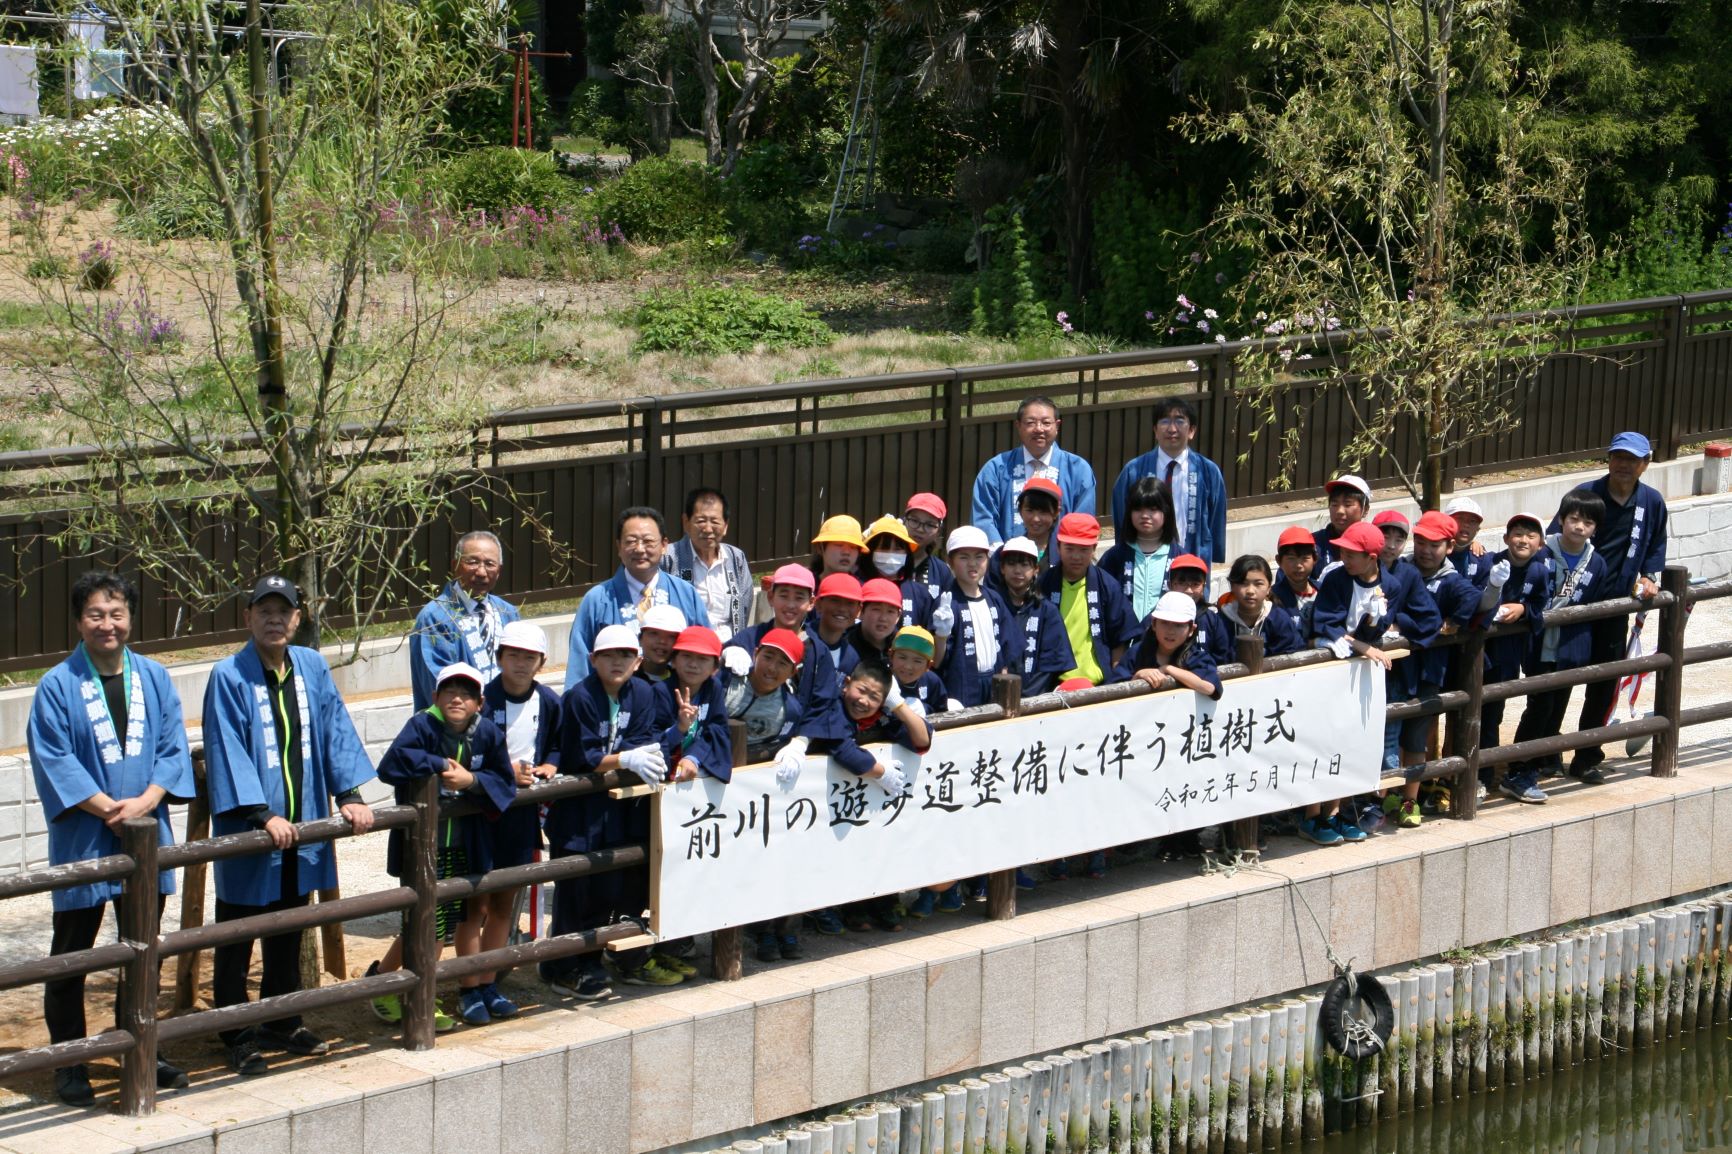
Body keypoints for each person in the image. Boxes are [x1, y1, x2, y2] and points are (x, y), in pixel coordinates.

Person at [28, 571, 197, 1105]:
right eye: (96, 614)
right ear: (79, 620)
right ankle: (69, 1060)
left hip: (145, 833)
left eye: (117, 613)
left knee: (144, 947)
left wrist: (145, 802)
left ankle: (143, 1046)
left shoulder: (153, 676)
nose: (108, 624)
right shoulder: (57, 684)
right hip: (86, 834)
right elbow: (54, 756)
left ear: (130, 617)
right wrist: (108, 808)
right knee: (71, 951)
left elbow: (173, 747)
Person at [202, 575, 376, 1075]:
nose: (275, 619)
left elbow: (335, 727)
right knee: (238, 933)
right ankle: (235, 1031)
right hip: (252, 828)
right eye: (265, 611)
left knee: (290, 925)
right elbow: (225, 750)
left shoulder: (312, 666)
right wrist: (262, 815)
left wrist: (349, 793)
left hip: (304, 827)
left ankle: (282, 1018)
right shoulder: (229, 675)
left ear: (299, 619)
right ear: (248, 616)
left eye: (284, 611)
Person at [371, 663, 517, 1028]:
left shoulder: (487, 733)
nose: (457, 698)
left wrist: (472, 780)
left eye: (467, 693)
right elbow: (391, 765)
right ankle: (413, 993)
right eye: (449, 691)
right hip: (422, 844)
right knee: (428, 922)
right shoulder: (422, 725)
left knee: (440, 920)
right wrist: (436, 763)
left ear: (480, 703)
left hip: (463, 843)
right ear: (435, 697)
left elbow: (504, 781)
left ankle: (384, 981)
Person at [542, 625, 681, 999]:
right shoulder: (579, 697)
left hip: (616, 810)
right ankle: (562, 967)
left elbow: (645, 739)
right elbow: (580, 756)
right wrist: (624, 758)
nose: (616, 662)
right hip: (578, 809)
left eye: (625, 655)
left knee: (607, 889)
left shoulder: (645, 693)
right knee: (574, 890)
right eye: (608, 655)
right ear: (593, 660)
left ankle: (589, 962)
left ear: (638, 661)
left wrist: (630, 756)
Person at [1310, 522, 1441, 833]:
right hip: (1334, 665)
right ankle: (1322, 814)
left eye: (1351, 552)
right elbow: (1325, 623)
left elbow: (1381, 628)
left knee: (1368, 737)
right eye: (1342, 550)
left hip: (1366, 673)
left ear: (1371, 556)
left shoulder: (1391, 586)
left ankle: (1357, 807)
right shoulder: (1336, 578)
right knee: (1332, 737)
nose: (1344, 556)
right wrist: (1363, 645)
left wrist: (1373, 622)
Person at [1557, 432, 1669, 783]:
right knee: (1558, 680)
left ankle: (1587, 755)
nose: (1624, 465)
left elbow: (1656, 543)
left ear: (1645, 464)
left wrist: (1650, 576)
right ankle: (1541, 753)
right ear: (1608, 459)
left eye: (1632, 459)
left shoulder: (1650, 501)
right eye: (1618, 457)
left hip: (1615, 606)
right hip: (1574, 604)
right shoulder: (1586, 496)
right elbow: (1554, 539)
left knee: (1603, 683)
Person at [1514, 490, 1614, 798]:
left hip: (1572, 644)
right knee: (1539, 704)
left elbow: (1596, 604)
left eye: (1588, 522)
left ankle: (1544, 757)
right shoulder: (1541, 553)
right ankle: (1520, 766)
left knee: (1559, 702)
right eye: (1573, 519)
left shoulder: (1596, 563)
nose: (1579, 527)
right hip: (1540, 642)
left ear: (1596, 528)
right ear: (1561, 519)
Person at [480, 621, 563, 981]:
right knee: (474, 897)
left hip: (523, 810)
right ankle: (471, 975)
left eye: (529, 657)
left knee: (507, 893)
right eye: (513, 655)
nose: (520, 663)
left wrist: (551, 763)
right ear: (499, 657)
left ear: (541, 662)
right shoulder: (483, 699)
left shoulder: (547, 701)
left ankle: (492, 972)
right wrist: (503, 770)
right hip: (482, 809)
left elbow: (559, 742)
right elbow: (469, 753)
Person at [565, 507, 711, 690]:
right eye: (631, 541)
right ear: (619, 546)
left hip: (675, 704)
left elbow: (705, 650)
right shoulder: (597, 599)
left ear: (664, 545)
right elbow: (580, 663)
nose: (640, 549)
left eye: (649, 541)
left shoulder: (686, 594)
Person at [723, 564, 847, 766]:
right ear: (771, 597)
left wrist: (802, 741)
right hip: (738, 746)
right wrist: (725, 653)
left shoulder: (818, 651)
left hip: (790, 751)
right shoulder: (750, 638)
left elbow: (823, 703)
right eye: (783, 595)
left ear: (811, 603)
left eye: (799, 597)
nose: (790, 604)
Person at [1400, 512, 1482, 812]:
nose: (1424, 549)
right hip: (1394, 666)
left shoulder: (1450, 580)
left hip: (1428, 668)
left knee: (1416, 735)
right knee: (1391, 729)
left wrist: (1453, 622)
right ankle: (1384, 795)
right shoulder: (1400, 567)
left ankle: (1410, 799)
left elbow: (1477, 600)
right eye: (1420, 541)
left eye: (1434, 544)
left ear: (1449, 547)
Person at [1470, 511, 1550, 793]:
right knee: (1468, 711)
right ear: (1505, 538)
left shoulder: (1539, 572)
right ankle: (1463, 774)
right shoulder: (1489, 562)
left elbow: (1542, 605)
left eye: (1531, 535)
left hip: (1508, 656)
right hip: (1479, 652)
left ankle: (1484, 775)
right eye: (1517, 534)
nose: (1523, 540)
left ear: (1541, 544)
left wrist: (1524, 610)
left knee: (1493, 715)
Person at [410, 530, 520, 711]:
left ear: (499, 571)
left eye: (490, 564)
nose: (481, 572)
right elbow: (439, 684)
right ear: (455, 565)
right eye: (473, 562)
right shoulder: (434, 617)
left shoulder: (508, 613)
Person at [1110, 398, 1229, 563]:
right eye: (1165, 421)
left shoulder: (1208, 471)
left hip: (1192, 561)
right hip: (1143, 559)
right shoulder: (1134, 470)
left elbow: (1216, 519)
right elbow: (1121, 516)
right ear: (1155, 430)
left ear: (1192, 431)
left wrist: (1212, 556)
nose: (1172, 429)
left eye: (1180, 421)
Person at [972, 395, 1099, 543]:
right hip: (1008, 561)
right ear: (1018, 425)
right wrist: (1004, 558)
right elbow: (984, 520)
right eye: (1031, 423)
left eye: (1046, 423)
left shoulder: (1078, 469)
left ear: (1057, 426)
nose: (1039, 429)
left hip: (1061, 562)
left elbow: (1083, 521)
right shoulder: (996, 469)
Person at [1040, 513, 1138, 687]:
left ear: (1094, 549)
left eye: (1084, 549)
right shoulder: (1045, 583)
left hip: (1097, 683)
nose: (1076, 557)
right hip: (1053, 684)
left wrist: (1117, 681)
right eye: (1069, 548)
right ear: (1058, 547)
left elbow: (1120, 639)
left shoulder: (1107, 586)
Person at [935, 526, 1025, 707]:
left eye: (979, 557)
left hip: (995, 678)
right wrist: (941, 636)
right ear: (950, 561)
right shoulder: (947, 604)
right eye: (963, 557)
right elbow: (937, 661)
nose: (972, 563)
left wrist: (1006, 668)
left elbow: (1010, 641)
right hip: (962, 681)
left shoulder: (994, 599)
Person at [661, 487, 752, 642]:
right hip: (686, 649)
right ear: (686, 522)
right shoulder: (668, 557)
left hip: (729, 648)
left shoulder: (736, 558)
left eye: (715, 521)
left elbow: (745, 606)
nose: (708, 529)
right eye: (701, 521)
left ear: (725, 526)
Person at [995, 535, 1076, 696]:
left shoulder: (1046, 610)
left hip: (1037, 700)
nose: (1017, 570)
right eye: (1011, 564)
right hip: (995, 696)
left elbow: (1051, 663)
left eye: (1025, 565)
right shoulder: (992, 605)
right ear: (1002, 568)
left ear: (1035, 570)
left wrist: (1026, 697)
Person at [654, 625, 733, 783]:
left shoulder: (713, 687)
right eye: (687, 656)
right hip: (661, 775)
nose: (693, 664)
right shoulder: (660, 691)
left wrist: (694, 757)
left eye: (703, 659)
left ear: (715, 667)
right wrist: (679, 729)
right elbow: (650, 740)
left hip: (695, 766)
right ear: (674, 661)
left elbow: (718, 729)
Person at [1115, 591, 1225, 699]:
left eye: (1178, 625)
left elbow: (1209, 687)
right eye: (1164, 622)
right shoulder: (1136, 652)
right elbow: (1113, 692)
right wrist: (1138, 676)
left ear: (1191, 629)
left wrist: (1168, 669)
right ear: (1154, 623)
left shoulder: (1196, 657)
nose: (1170, 631)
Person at [1098, 475, 1177, 622]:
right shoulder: (1114, 557)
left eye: (1153, 510)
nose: (1145, 516)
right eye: (1138, 509)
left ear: (1166, 512)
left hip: (1166, 639)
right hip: (1123, 640)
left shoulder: (1179, 558)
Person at [1218, 555, 1306, 658]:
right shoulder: (1219, 621)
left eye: (1258, 584)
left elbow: (1291, 656)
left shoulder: (1279, 619)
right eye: (1243, 583)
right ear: (1232, 586)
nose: (1250, 591)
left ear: (1269, 587)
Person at [1165, 554, 1235, 666]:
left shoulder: (1213, 620)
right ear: (1170, 585)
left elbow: (1224, 656)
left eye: (1195, 584)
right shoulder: (1159, 617)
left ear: (1204, 587)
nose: (1188, 590)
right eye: (1181, 583)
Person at [810, 573, 865, 686]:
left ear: (859, 611)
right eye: (835, 600)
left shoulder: (851, 657)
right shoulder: (802, 641)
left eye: (850, 603)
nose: (842, 608)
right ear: (818, 604)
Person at [886, 626, 950, 716]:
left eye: (917, 661)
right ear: (891, 656)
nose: (908, 666)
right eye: (902, 657)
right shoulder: (882, 679)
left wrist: (924, 709)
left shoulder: (932, 682)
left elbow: (942, 713)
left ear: (928, 665)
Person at [1271, 526, 1322, 640]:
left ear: (1315, 559)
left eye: (1305, 558)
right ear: (1279, 561)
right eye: (1291, 558)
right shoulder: (1272, 597)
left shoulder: (1324, 591)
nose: (1298, 565)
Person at [1313, 475, 1373, 569]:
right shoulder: (1313, 543)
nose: (1340, 511)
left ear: (1365, 510)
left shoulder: (1372, 545)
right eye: (1334, 504)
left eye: (1348, 504)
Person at [901, 493, 954, 599]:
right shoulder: (889, 561)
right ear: (904, 521)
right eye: (915, 521)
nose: (920, 529)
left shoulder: (942, 571)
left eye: (930, 525)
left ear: (939, 531)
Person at [847, 577, 907, 671]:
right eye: (876, 610)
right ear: (860, 611)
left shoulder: (905, 647)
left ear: (898, 616)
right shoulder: (845, 648)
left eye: (890, 612)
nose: (883, 618)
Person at [635, 604, 686, 685]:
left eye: (671, 636)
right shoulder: (624, 679)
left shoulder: (684, 683)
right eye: (654, 634)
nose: (662, 641)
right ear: (640, 639)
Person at [809, 515, 868, 580]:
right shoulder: (806, 588)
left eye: (853, 547)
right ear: (820, 548)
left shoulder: (863, 589)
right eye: (839, 545)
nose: (846, 552)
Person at [1445, 496, 1489, 582]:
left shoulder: (1480, 557)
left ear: (1478, 529)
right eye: (1460, 518)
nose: (1466, 524)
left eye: (1472, 521)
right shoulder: (1433, 553)